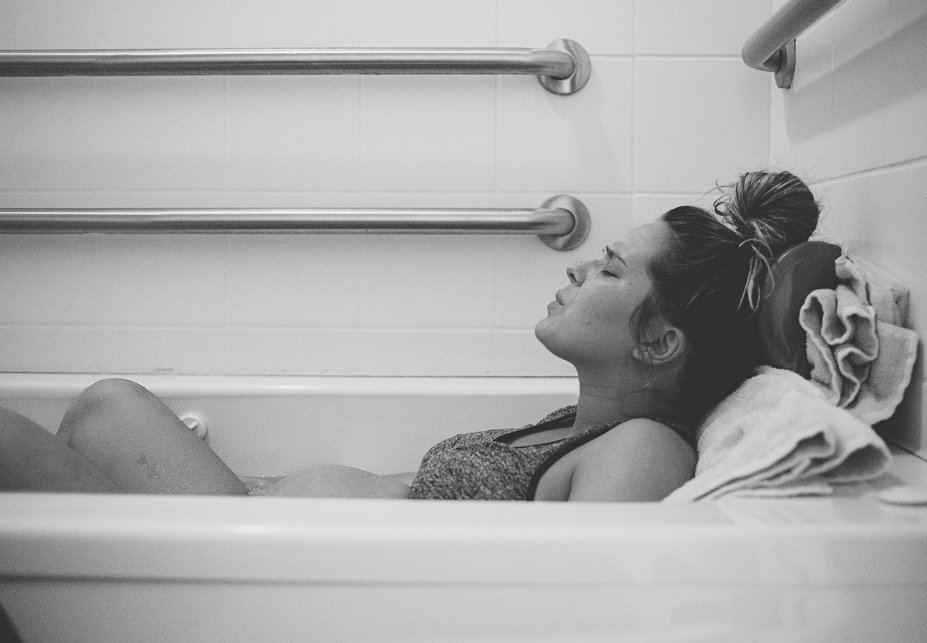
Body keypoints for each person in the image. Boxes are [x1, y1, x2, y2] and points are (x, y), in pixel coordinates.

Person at [0, 170, 819, 501]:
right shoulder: (578, 424)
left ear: (659, 343)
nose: (577, 268)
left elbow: (569, 602)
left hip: (271, 586)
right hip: (260, 534)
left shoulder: (642, 449)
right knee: (105, 410)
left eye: (608, 268)